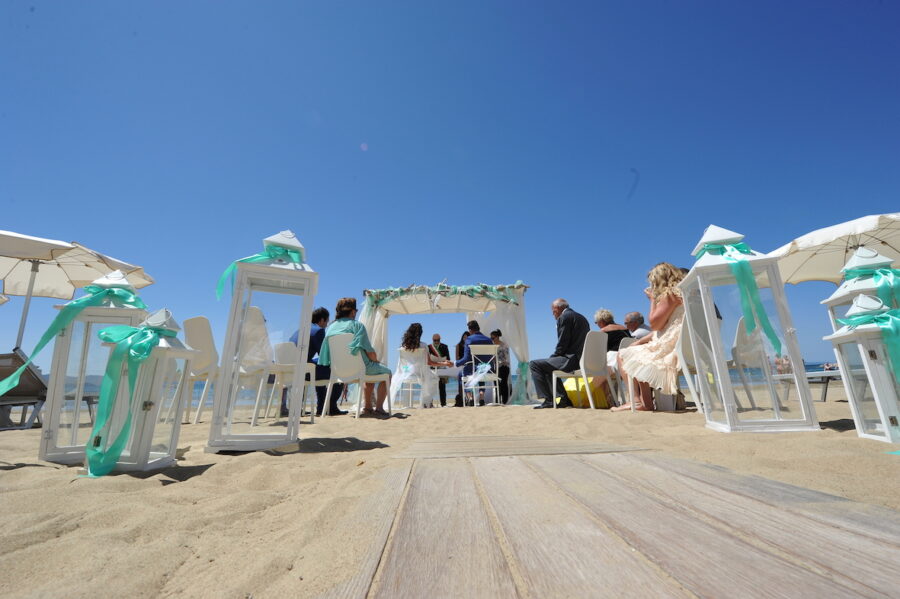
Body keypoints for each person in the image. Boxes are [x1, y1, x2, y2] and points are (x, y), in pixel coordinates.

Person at [613, 263, 685, 412]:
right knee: (637, 355)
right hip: (682, 343)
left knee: (623, 355)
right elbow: (666, 327)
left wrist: (652, 299)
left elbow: (654, 324)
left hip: (671, 347)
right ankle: (646, 403)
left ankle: (636, 400)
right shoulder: (684, 293)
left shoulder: (670, 295)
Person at [318, 297, 392, 417]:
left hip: (337, 370)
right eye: (356, 311)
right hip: (361, 368)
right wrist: (376, 360)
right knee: (386, 373)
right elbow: (370, 353)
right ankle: (378, 408)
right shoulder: (357, 326)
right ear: (352, 311)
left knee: (368, 369)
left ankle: (368, 407)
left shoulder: (330, 328)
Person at [283, 307, 346, 416]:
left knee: (318, 366)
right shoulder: (318, 331)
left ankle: (321, 407)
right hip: (303, 371)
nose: (326, 325)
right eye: (326, 321)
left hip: (292, 370)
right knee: (339, 372)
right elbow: (325, 355)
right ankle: (329, 407)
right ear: (322, 320)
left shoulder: (301, 330)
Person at [531, 298, 591, 409]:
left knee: (534, 364)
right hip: (582, 359)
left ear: (558, 308)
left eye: (553, 311)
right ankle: (564, 399)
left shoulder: (564, 317)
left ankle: (548, 400)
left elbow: (563, 342)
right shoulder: (582, 318)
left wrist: (554, 356)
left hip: (571, 360)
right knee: (547, 365)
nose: (553, 315)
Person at [391, 323, 451, 408]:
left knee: (428, 377)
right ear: (420, 333)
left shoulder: (403, 346)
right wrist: (444, 363)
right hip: (420, 374)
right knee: (434, 378)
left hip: (406, 373)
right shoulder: (423, 345)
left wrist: (406, 371)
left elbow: (403, 363)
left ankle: (409, 404)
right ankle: (426, 402)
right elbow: (429, 363)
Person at [454, 321, 492, 406]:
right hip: (488, 370)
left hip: (474, 370)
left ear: (470, 330)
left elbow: (466, 358)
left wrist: (455, 363)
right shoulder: (488, 340)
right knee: (482, 370)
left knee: (461, 374)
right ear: (478, 328)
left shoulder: (469, 339)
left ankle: (470, 398)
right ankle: (481, 398)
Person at [427, 333, 451, 406]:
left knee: (442, 387)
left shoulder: (445, 346)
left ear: (440, 339)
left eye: (438, 340)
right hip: (432, 369)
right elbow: (427, 360)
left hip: (442, 368)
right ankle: (430, 403)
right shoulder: (429, 347)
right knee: (430, 387)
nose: (436, 342)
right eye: (435, 340)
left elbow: (448, 359)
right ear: (432, 340)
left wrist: (442, 361)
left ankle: (443, 404)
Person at [490, 329, 511, 404]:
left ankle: (505, 401)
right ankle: (497, 400)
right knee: (496, 385)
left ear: (497, 337)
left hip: (503, 366)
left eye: (493, 338)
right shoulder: (492, 346)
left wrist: (501, 362)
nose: (492, 340)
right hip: (496, 367)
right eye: (491, 338)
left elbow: (506, 358)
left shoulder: (504, 345)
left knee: (504, 384)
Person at [453, 330, 470, 406]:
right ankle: (461, 398)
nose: (465, 338)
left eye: (467, 337)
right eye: (464, 337)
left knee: (467, 380)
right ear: (462, 338)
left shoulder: (470, 345)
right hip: (461, 365)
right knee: (461, 377)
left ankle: (468, 398)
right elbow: (457, 358)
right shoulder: (458, 345)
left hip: (468, 365)